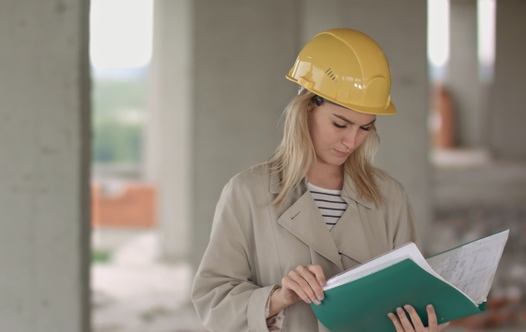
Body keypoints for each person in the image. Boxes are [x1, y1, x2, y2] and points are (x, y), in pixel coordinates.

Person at [192, 28, 450, 332]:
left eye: (366, 127)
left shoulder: (389, 197)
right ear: (306, 108)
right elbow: (213, 300)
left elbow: (413, 295)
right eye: (340, 124)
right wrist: (277, 297)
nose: (351, 141)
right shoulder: (247, 193)